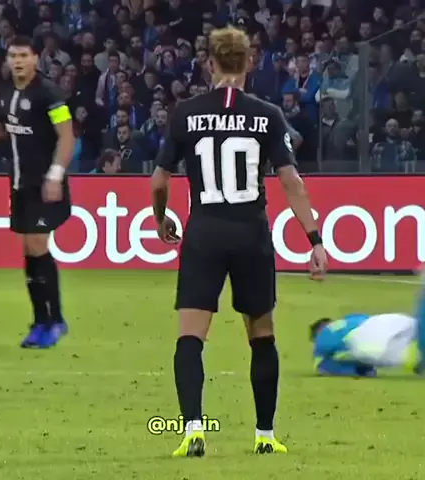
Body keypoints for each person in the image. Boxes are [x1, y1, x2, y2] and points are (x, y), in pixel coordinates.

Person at [151, 26, 328, 458]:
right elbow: (292, 182)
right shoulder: (267, 114)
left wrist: (161, 217)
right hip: (251, 232)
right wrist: (315, 240)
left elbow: (159, 180)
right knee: (261, 335)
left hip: (204, 232)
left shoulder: (185, 113)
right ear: (250, 62)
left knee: (191, 336)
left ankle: (193, 429)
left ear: (209, 63)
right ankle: (265, 435)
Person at [0, 36, 76, 349]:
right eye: (13, 56)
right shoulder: (3, 90)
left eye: (24, 55)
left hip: (44, 183)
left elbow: (67, 136)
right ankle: (41, 321)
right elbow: (2, 126)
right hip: (19, 183)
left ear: (36, 58)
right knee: (29, 250)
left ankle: (53, 320)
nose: (18, 61)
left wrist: (55, 175)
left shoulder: (49, 93)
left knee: (38, 245)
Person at [310, 280, 425, 377]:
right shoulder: (350, 319)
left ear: (319, 331)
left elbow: (320, 367)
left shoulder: (323, 337)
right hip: (382, 322)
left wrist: (353, 371)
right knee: (414, 328)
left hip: (366, 341)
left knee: (409, 355)